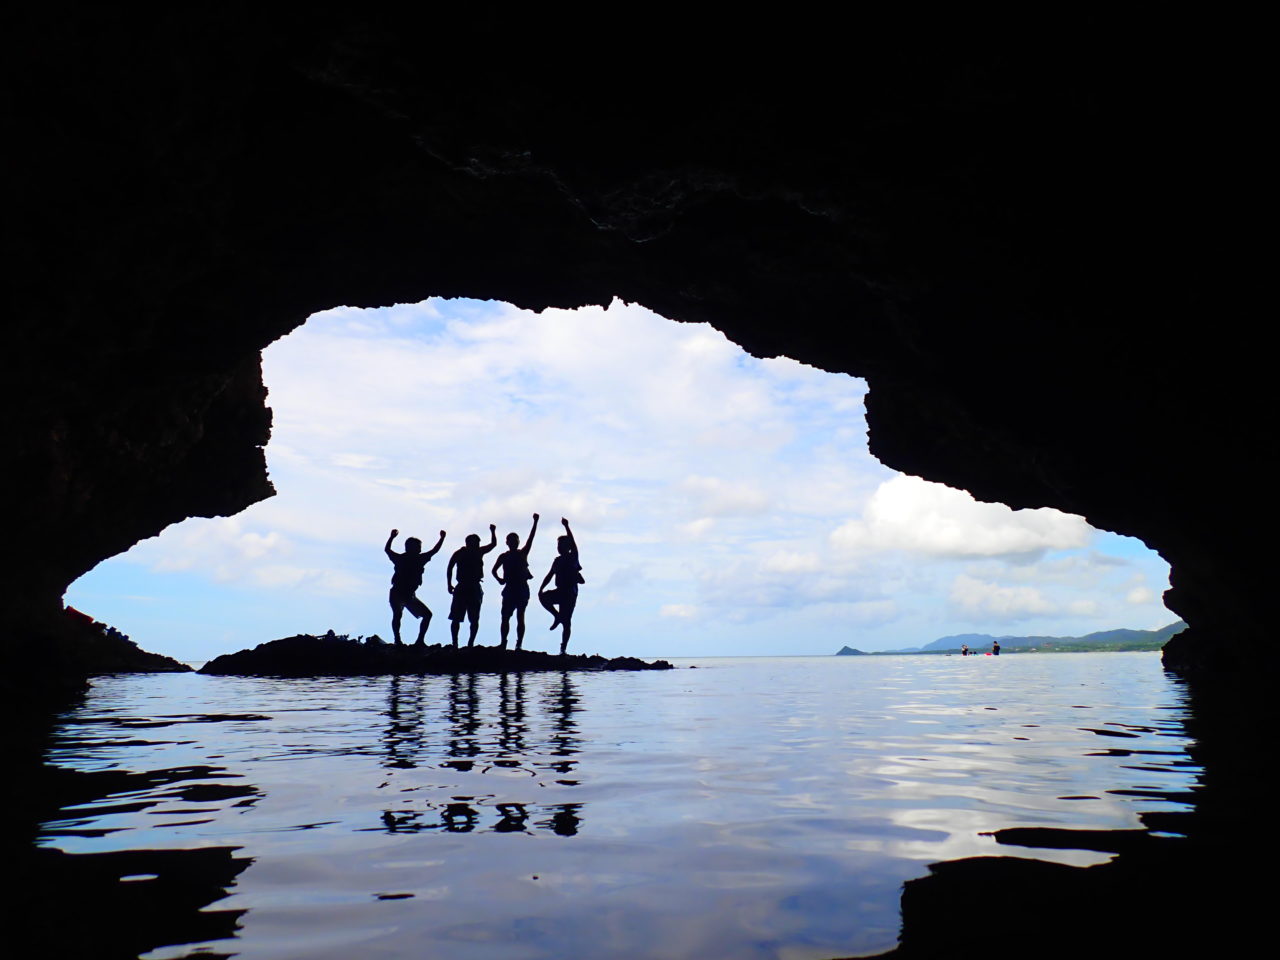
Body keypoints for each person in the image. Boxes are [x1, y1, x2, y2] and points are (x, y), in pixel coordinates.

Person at [385, 529, 446, 645]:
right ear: (409, 547)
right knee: (397, 614)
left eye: (419, 546)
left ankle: (419, 640)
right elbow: (387, 550)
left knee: (427, 615)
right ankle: (397, 640)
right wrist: (391, 537)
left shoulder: (419, 559)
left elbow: (434, 551)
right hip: (397, 592)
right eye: (417, 546)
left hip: (410, 595)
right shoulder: (402, 559)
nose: (419, 548)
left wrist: (442, 538)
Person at [492, 513, 539, 650]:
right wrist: (499, 579)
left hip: (522, 589)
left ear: (518, 542)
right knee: (505, 617)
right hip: (509, 589)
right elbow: (494, 570)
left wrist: (535, 522)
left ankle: (518, 644)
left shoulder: (522, 553)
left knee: (520, 616)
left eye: (516, 540)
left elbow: (531, 538)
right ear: (507, 542)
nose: (513, 542)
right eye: (511, 540)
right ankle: (503, 642)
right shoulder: (504, 556)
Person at [447, 524, 497, 647]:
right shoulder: (460, 553)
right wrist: (449, 584)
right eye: (475, 542)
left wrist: (493, 531)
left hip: (474, 586)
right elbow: (450, 567)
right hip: (463, 586)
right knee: (456, 617)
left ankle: (470, 643)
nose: (477, 545)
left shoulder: (478, 551)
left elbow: (493, 544)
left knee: (474, 618)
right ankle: (455, 643)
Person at [538, 517, 584, 655]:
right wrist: (541, 588)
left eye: (561, 545)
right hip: (559, 591)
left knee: (567, 622)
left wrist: (567, 526)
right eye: (557, 546)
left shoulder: (573, 557)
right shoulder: (557, 561)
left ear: (567, 547)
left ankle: (563, 648)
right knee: (543, 597)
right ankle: (557, 616)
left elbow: (573, 542)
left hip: (570, 593)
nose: (558, 548)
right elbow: (549, 575)